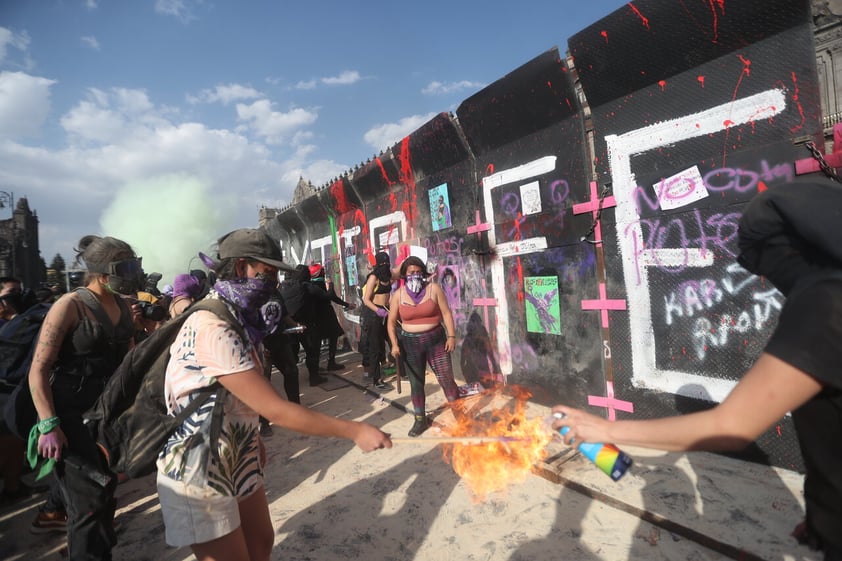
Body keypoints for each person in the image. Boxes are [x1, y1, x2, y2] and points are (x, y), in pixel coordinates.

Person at [551, 179, 842, 561]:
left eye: (767, 261)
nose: (767, 277)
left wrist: (604, 429)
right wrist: (824, 515)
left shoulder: (827, 300)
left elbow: (732, 427)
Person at [156, 228, 392, 561]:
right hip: (201, 465)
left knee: (261, 542)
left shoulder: (239, 319)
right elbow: (277, 410)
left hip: (236, 452)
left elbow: (236, 394)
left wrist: (251, 436)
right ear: (241, 268)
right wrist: (355, 430)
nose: (274, 283)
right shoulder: (213, 326)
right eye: (267, 273)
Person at [28, 235, 142, 561]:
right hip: (70, 415)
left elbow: (129, 363)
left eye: (135, 263)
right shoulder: (69, 305)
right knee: (88, 501)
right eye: (125, 266)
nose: (132, 272)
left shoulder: (122, 304)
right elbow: (39, 369)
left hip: (105, 415)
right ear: (101, 271)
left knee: (105, 494)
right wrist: (49, 424)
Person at [386, 256, 461, 437]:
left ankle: (460, 415)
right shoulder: (398, 295)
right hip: (410, 344)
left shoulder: (433, 289)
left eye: (419, 271)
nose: (415, 275)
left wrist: (451, 336)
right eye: (411, 272)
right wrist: (394, 345)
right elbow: (390, 322)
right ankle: (420, 419)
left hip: (436, 341)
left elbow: (446, 313)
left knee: (447, 380)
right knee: (416, 383)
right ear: (404, 274)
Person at [308, 263, 355, 371]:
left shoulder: (310, 284)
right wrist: (331, 285)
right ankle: (331, 362)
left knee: (318, 340)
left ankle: (316, 366)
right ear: (319, 273)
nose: (324, 272)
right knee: (333, 336)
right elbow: (330, 296)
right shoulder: (319, 284)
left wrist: (346, 304)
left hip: (317, 316)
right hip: (326, 314)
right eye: (323, 270)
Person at [361, 252, 394, 390]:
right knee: (375, 346)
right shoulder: (373, 277)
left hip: (386, 311)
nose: (385, 265)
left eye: (387, 263)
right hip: (374, 314)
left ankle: (401, 370)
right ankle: (376, 379)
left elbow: (389, 295)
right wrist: (377, 310)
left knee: (394, 340)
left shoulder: (389, 276)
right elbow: (366, 299)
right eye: (383, 263)